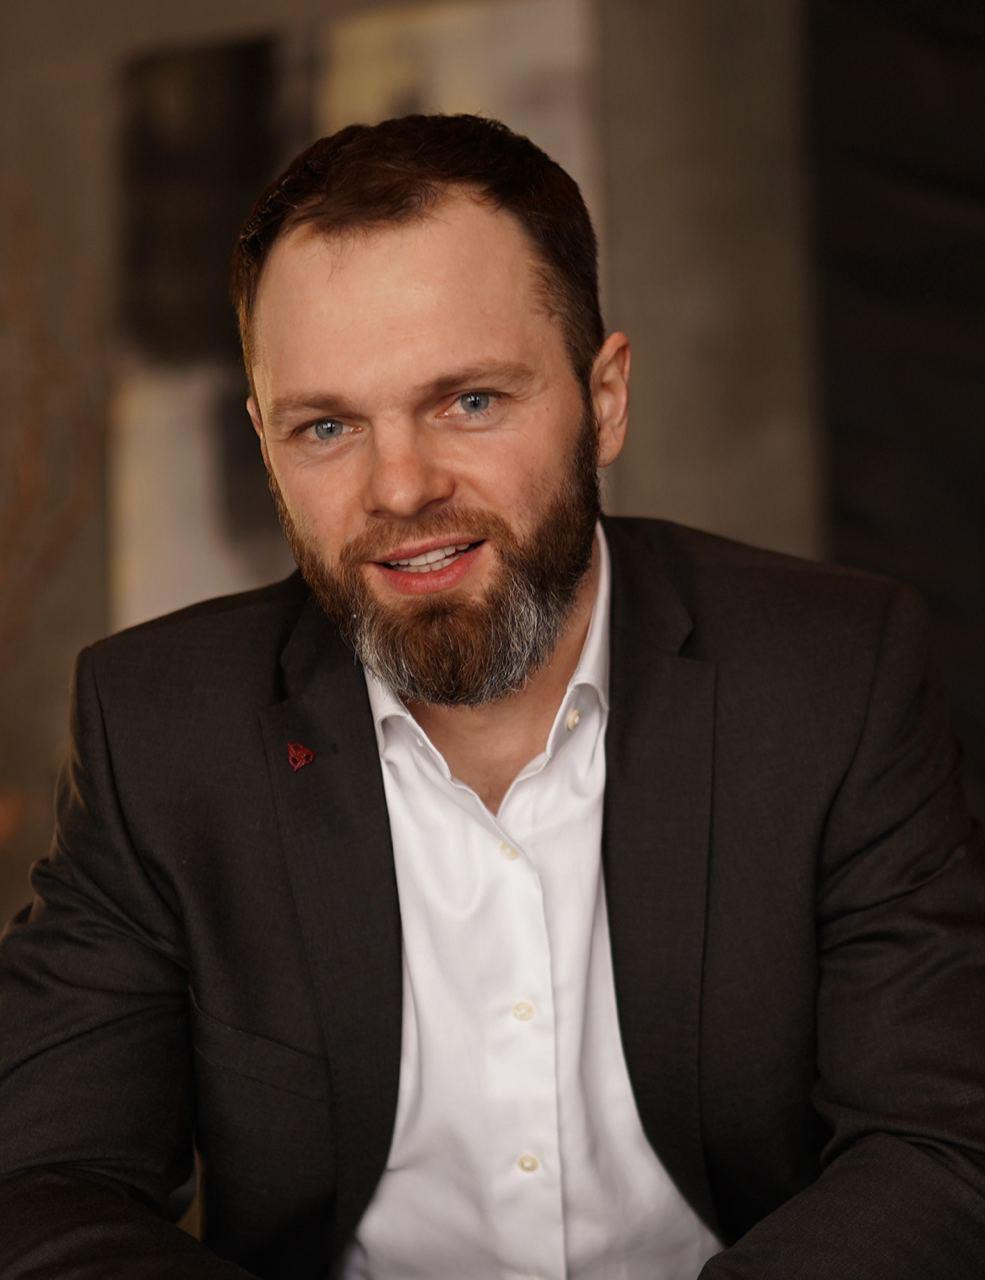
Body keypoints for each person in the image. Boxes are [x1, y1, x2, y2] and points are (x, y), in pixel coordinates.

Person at [1, 114, 983, 1280]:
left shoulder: (831, 674)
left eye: (468, 400)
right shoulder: (162, 728)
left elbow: (938, 1139)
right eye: (327, 426)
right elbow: (40, 1178)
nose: (400, 486)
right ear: (265, 445)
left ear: (603, 397)